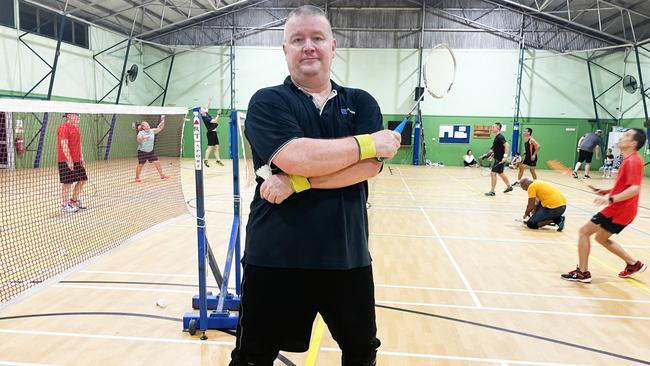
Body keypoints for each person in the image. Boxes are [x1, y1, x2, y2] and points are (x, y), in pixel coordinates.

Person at [229, 5, 401, 365]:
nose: (308, 46)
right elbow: (297, 156)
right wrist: (369, 143)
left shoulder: (361, 102)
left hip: (346, 256)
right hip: (275, 258)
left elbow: (368, 169)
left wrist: (296, 184)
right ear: (285, 50)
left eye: (317, 38)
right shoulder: (268, 101)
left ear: (333, 46)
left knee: (361, 352)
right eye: (298, 39)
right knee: (253, 356)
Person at [562, 128, 647, 283]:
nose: (622, 137)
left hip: (618, 209)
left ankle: (582, 272)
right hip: (624, 210)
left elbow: (635, 189)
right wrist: (607, 191)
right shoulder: (629, 159)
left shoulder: (633, 161)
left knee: (584, 232)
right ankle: (633, 264)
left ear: (633, 143)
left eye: (627, 135)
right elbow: (626, 186)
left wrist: (610, 199)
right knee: (601, 238)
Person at [57, 112, 88, 213]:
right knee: (67, 183)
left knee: (83, 180)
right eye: (77, 115)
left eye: (79, 115)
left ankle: (74, 200)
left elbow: (79, 143)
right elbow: (64, 144)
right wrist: (69, 160)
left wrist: (82, 157)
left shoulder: (76, 127)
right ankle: (65, 205)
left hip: (77, 160)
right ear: (69, 116)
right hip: (65, 160)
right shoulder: (63, 127)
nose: (79, 117)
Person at [135, 116, 169, 183]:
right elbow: (138, 139)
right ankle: (137, 177)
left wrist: (163, 121)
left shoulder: (152, 131)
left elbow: (160, 128)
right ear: (143, 127)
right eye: (146, 126)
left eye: (148, 125)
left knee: (157, 162)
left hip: (150, 151)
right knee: (141, 164)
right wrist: (144, 138)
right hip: (142, 152)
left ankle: (162, 175)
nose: (148, 127)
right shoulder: (141, 133)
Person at [484, 122, 513, 196]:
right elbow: (498, 148)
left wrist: (505, 156)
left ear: (498, 128)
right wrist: (492, 155)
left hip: (500, 160)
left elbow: (507, 146)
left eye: (493, 127)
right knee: (500, 173)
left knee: (493, 173)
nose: (492, 128)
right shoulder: (497, 137)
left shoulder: (500, 137)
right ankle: (509, 186)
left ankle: (492, 191)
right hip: (498, 158)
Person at [200, 101, 223, 167]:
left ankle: (218, 160)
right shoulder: (205, 118)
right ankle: (206, 160)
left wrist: (209, 102)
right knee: (210, 148)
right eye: (204, 110)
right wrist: (218, 114)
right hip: (211, 133)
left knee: (216, 147)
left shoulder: (206, 113)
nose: (205, 110)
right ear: (202, 112)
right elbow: (215, 121)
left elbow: (207, 107)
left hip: (214, 133)